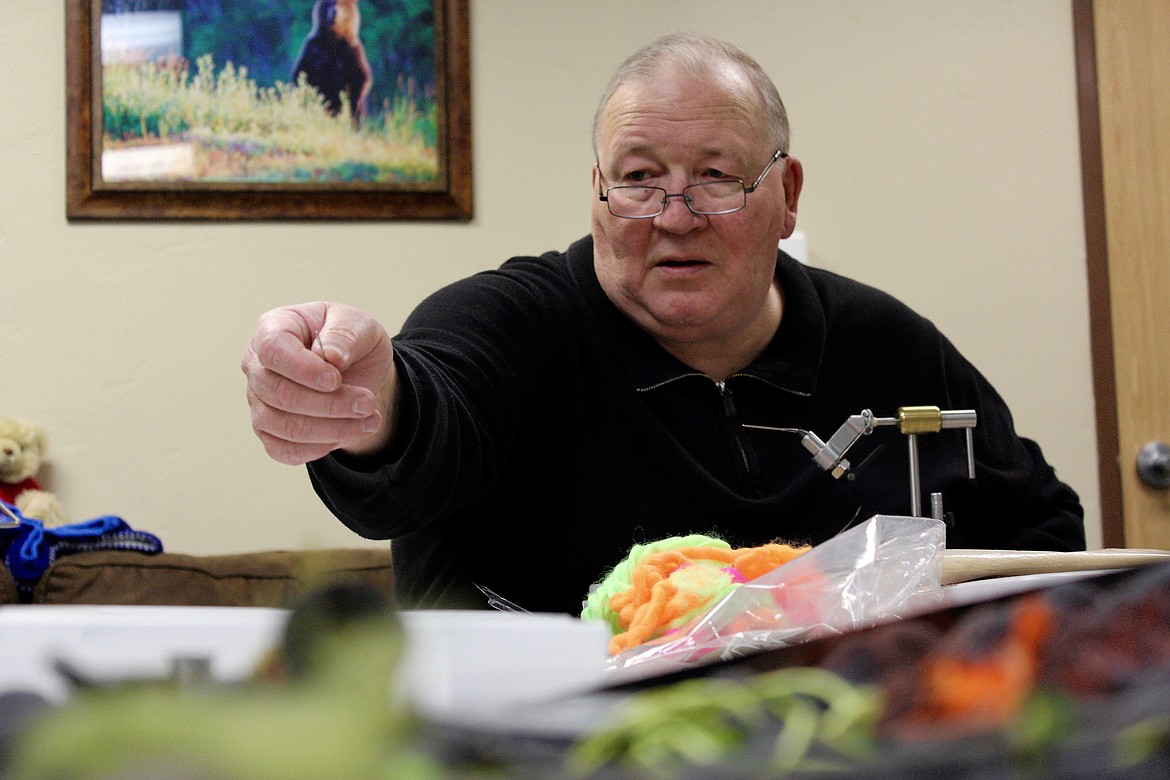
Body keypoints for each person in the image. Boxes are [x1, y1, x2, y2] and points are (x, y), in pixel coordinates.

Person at [241, 33, 1085, 615]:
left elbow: (1045, 533)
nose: (674, 216)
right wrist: (369, 404)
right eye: (639, 177)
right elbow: (427, 420)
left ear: (787, 197)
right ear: (598, 193)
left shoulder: (890, 348)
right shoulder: (511, 325)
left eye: (717, 176)